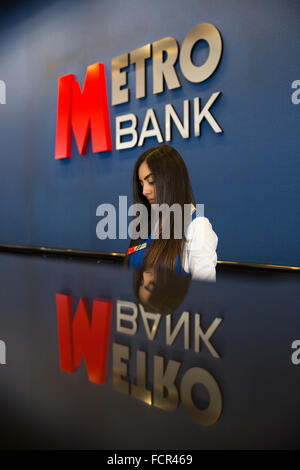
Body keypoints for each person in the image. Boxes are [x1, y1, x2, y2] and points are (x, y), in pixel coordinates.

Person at [124, 144, 218, 281]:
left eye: (151, 181)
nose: (145, 191)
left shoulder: (197, 226)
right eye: (142, 184)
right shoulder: (148, 221)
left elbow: (204, 296)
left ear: (172, 181)